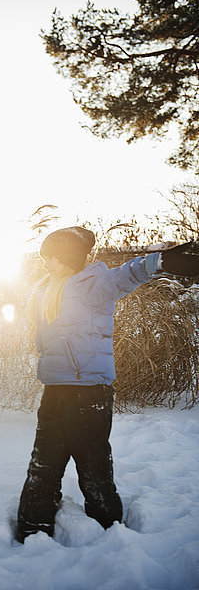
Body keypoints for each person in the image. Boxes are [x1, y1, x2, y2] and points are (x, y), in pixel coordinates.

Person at [15, 227, 199, 543]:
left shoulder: (95, 284)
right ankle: (33, 528)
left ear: (68, 258)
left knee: (93, 463)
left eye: (52, 258)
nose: (46, 264)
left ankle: (108, 529)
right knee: (43, 462)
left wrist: (160, 261)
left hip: (89, 391)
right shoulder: (45, 289)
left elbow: (128, 273)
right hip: (55, 388)